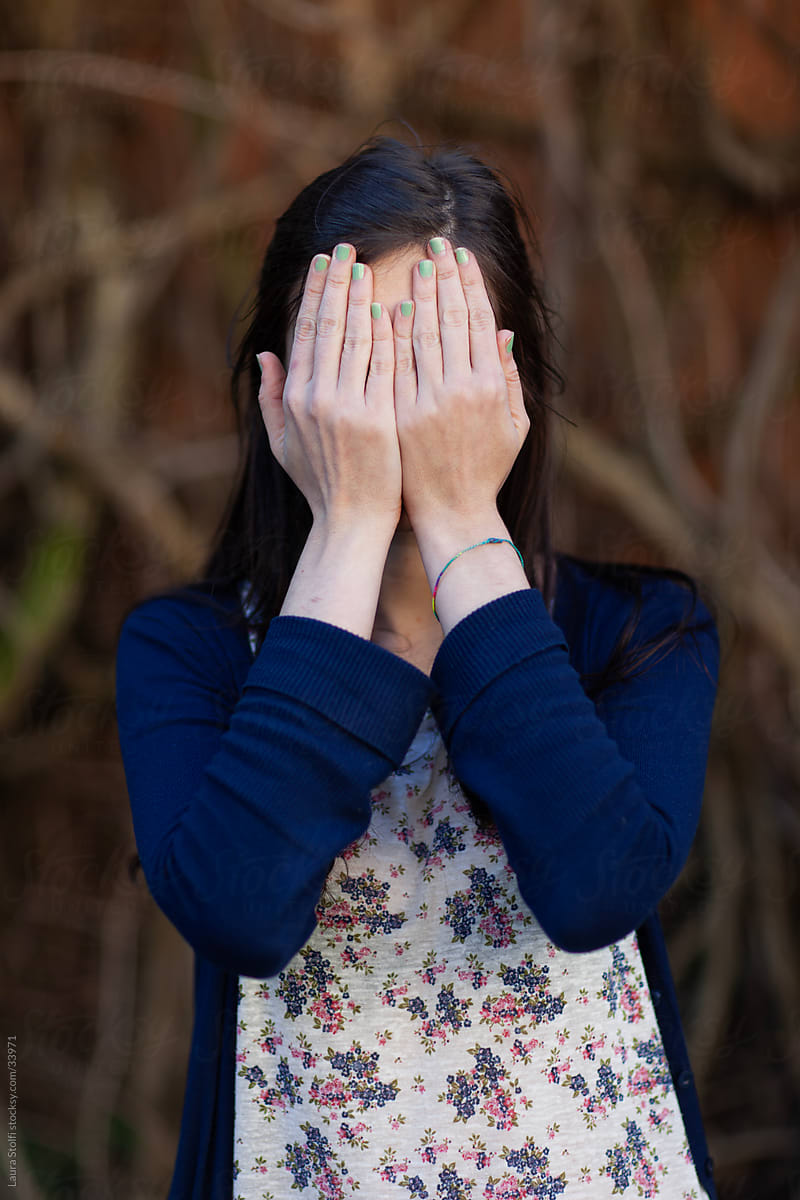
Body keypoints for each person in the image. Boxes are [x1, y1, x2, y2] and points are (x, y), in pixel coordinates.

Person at [115, 134, 721, 1200]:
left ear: (511, 392)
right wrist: (348, 524)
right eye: (358, 362)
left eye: (439, 364)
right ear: (282, 390)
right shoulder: (191, 654)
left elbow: (594, 890)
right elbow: (240, 907)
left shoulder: (641, 633)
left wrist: (452, 512)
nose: (397, 411)